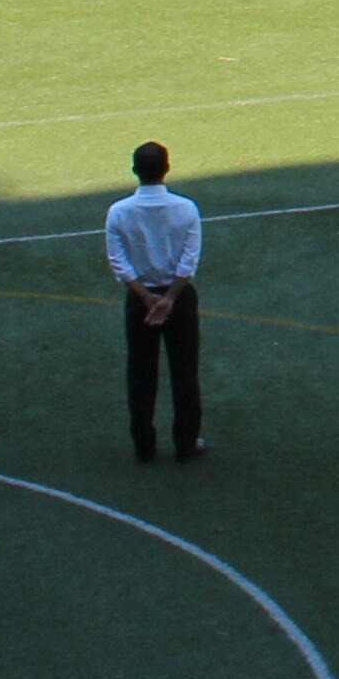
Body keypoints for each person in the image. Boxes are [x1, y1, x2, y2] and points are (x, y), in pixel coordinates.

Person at [109, 138, 207, 465]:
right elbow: (189, 259)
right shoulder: (185, 208)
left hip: (141, 300)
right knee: (184, 371)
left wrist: (146, 297)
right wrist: (170, 298)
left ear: (135, 170)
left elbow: (119, 261)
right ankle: (186, 442)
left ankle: (144, 445)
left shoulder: (119, 212)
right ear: (167, 168)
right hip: (178, 298)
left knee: (140, 372)